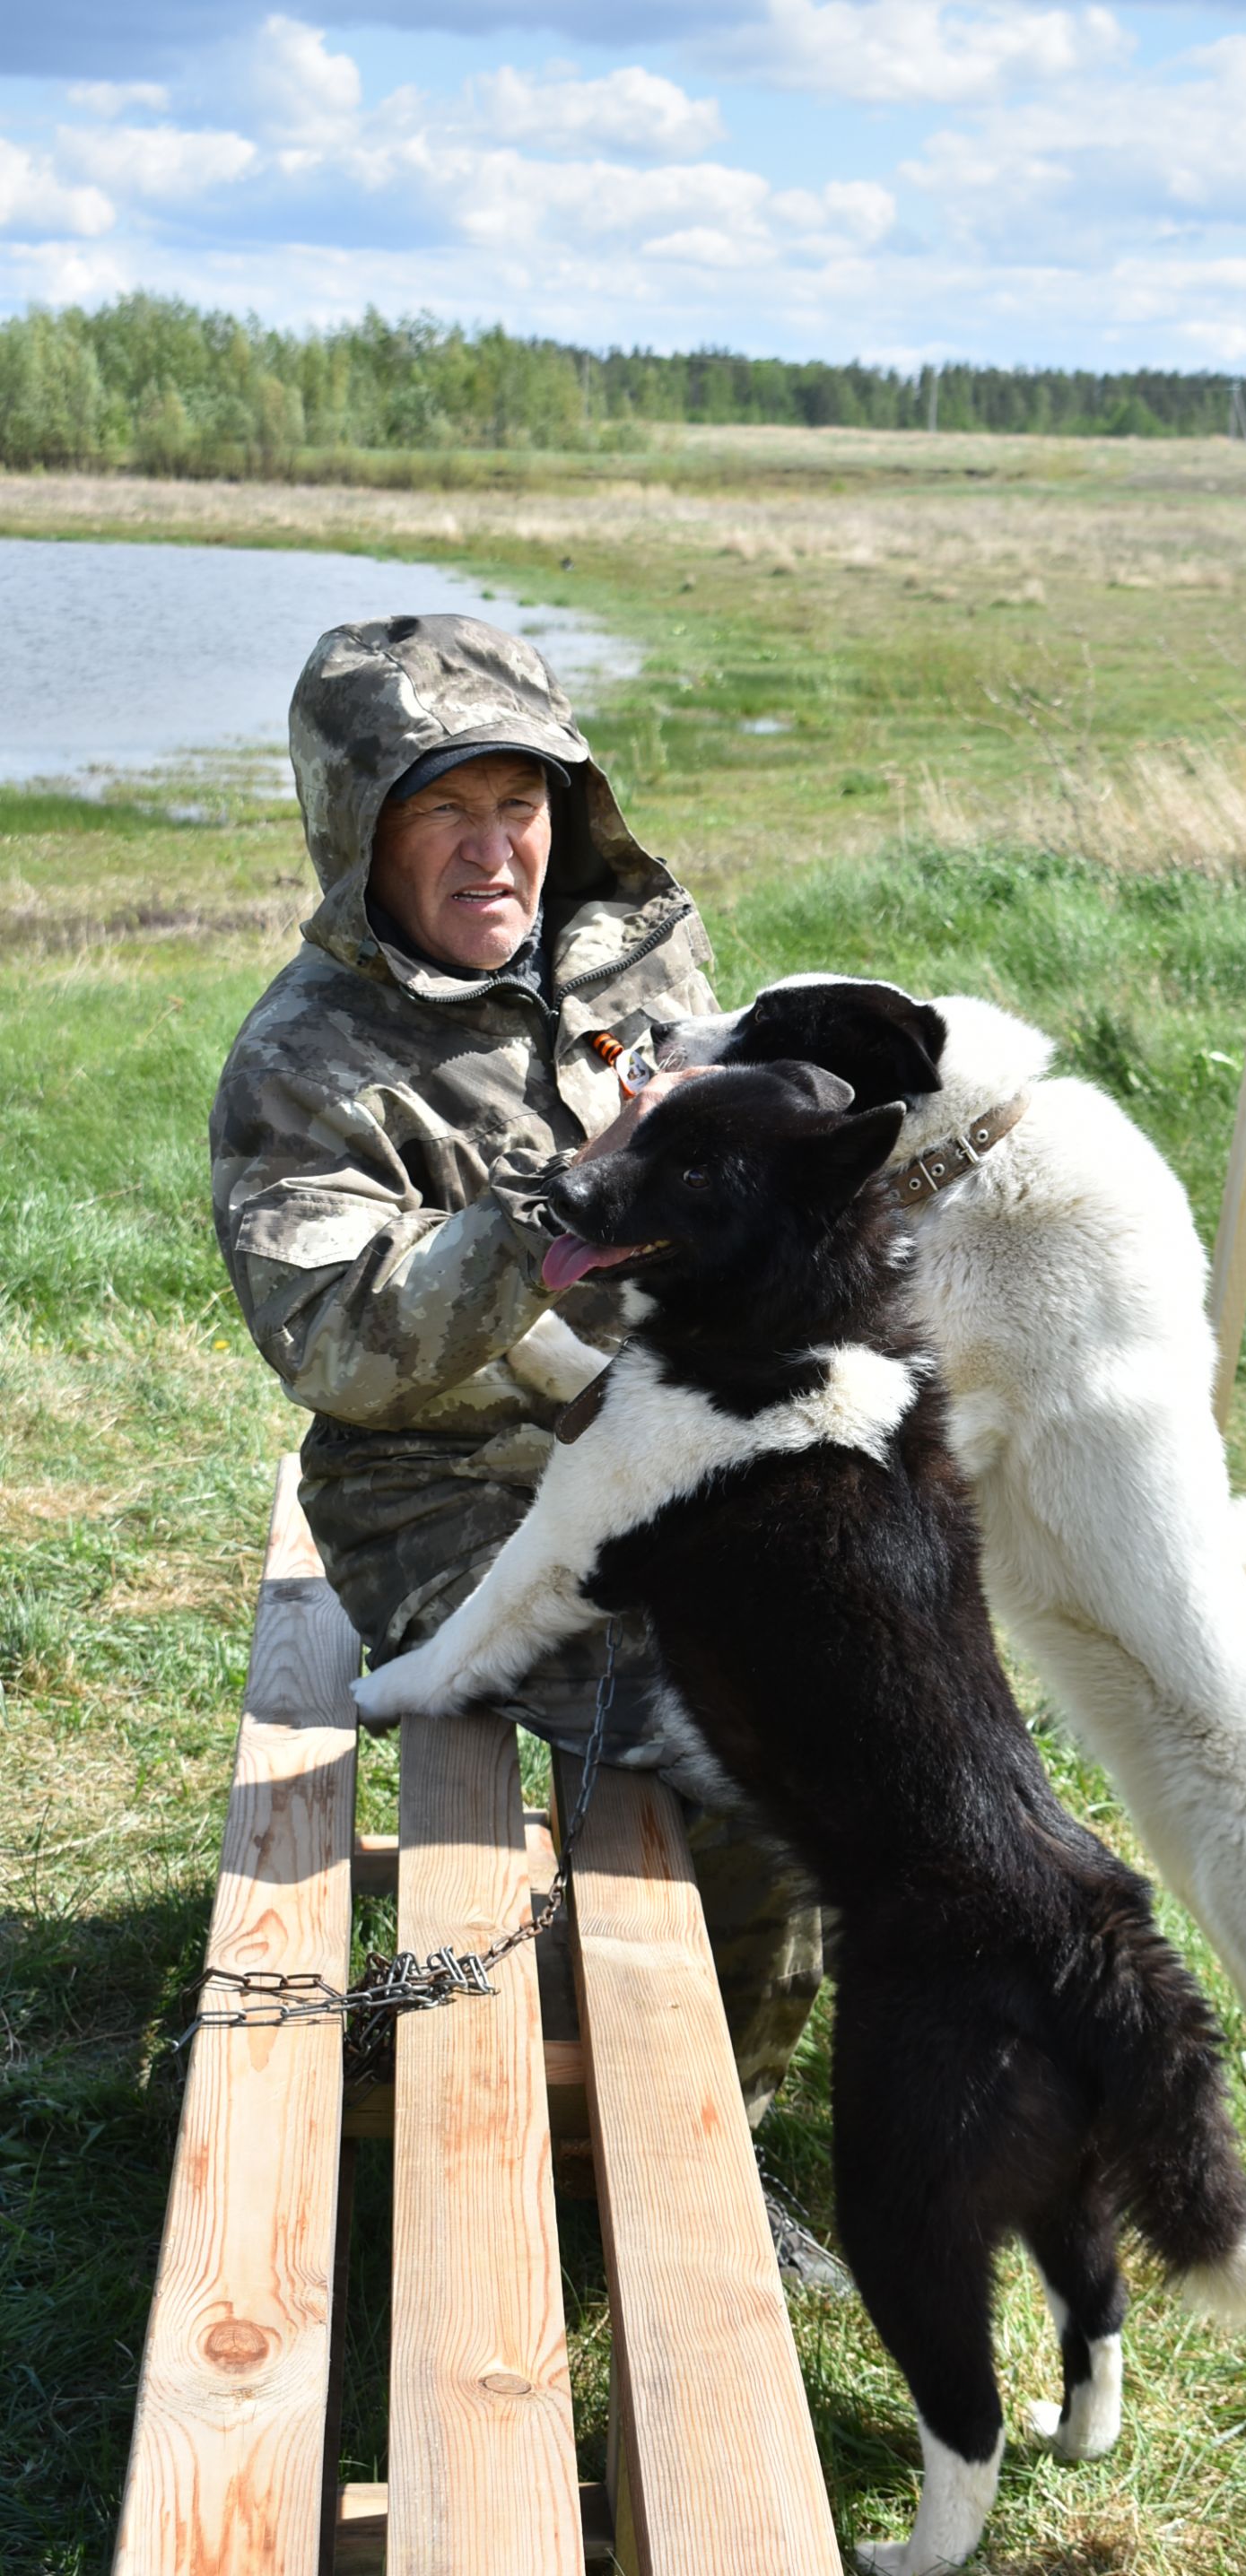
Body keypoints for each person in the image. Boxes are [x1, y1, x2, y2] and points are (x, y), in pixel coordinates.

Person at [210, 612, 827, 2170]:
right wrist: (568, 1207)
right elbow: (339, 1340)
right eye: (442, 809)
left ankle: (800, 2054)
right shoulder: (308, 1062)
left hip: (676, 1442)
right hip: (450, 1502)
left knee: (903, 1664)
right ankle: (681, 2153)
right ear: (359, 832)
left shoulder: (636, 955)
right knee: (757, 1762)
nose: (496, 853)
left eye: (521, 804)